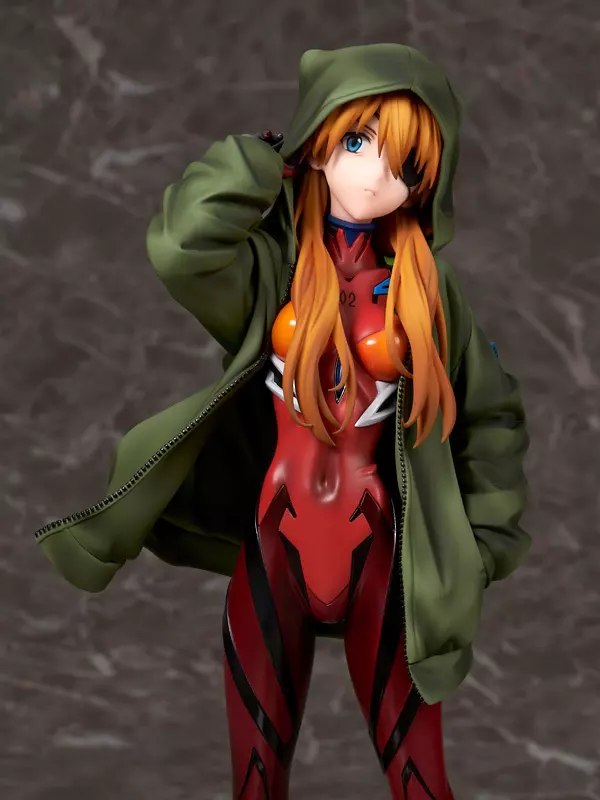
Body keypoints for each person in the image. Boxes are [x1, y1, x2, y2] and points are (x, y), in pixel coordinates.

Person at [35, 43, 531, 799]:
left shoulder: (428, 292)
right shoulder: (272, 271)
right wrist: (264, 158)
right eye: (358, 142)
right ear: (319, 142)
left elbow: (492, 416)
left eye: (406, 165)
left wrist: (482, 547)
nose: (376, 176)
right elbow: (182, 247)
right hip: (276, 546)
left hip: (383, 558)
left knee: (421, 782)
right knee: (257, 781)